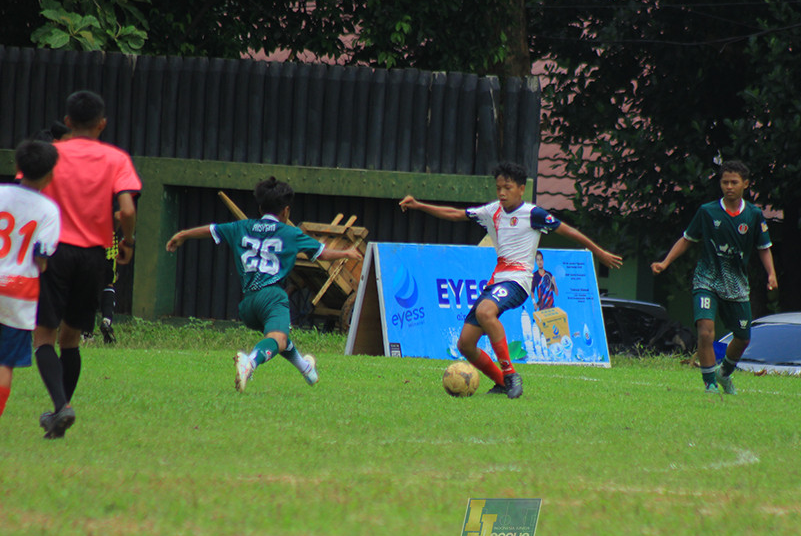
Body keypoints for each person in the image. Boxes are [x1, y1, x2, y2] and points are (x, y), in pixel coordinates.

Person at [399, 163, 623, 399]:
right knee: (465, 344)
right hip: (496, 282)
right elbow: (456, 214)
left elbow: (569, 231)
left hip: (518, 281)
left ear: (521, 189)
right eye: (498, 188)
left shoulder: (533, 214)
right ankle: (502, 383)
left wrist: (599, 253)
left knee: (486, 312)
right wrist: (419, 205)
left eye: (507, 188)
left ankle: (510, 374)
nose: (502, 193)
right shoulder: (492, 211)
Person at [165, 177, 362, 392]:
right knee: (277, 338)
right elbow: (322, 253)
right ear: (286, 211)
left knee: (280, 338)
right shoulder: (291, 233)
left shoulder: (241, 227)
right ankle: (250, 363)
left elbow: (211, 229)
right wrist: (346, 252)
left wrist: (182, 235)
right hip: (272, 296)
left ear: (260, 207)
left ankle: (307, 370)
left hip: (248, 304)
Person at [33, 90, 141, 439]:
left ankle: (61, 406)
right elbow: (126, 210)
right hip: (95, 254)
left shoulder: (48, 155)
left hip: (54, 252)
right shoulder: (116, 158)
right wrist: (126, 241)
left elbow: (27, 197)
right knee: (72, 337)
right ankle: (58, 416)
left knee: (44, 336)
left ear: (66, 123)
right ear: (102, 124)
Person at [650, 159, 777, 395]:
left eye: (734, 182)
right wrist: (665, 262)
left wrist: (771, 274)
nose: (729, 186)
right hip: (706, 279)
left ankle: (724, 373)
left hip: (737, 284)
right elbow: (687, 238)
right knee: (706, 330)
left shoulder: (753, 214)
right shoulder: (707, 211)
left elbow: (763, 247)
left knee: (743, 337)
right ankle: (710, 384)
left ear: (745, 184)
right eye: (725, 182)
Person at [0, 141, 61, 422]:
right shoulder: (48, 210)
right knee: (5, 361)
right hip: (19, 291)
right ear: (50, 175)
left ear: (17, 168)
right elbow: (42, 258)